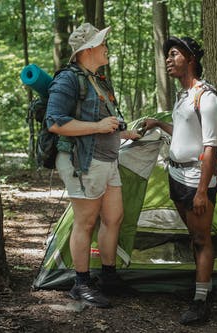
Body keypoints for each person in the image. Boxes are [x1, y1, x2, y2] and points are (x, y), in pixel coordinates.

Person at [45, 23, 140, 308]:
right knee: (85, 222)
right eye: (102, 43)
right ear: (88, 50)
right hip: (82, 162)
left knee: (114, 218)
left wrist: (124, 133)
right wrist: (98, 125)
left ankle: (108, 277)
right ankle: (81, 284)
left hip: (107, 160)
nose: (106, 47)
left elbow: (103, 125)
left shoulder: (99, 80)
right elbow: (54, 122)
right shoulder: (68, 80)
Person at [142, 36, 217, 325]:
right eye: (167, 55)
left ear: (190, 59)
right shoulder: (182, 96)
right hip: (175, 174)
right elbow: (185, 131)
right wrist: (159, 124)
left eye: (173, 54)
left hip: (195, 178)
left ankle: (201, 302)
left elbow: (211, 146)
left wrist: (202, 190)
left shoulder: (207, 97)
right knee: (193, 236)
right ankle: (205, 287)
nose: (168, 59)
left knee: (201, 238)